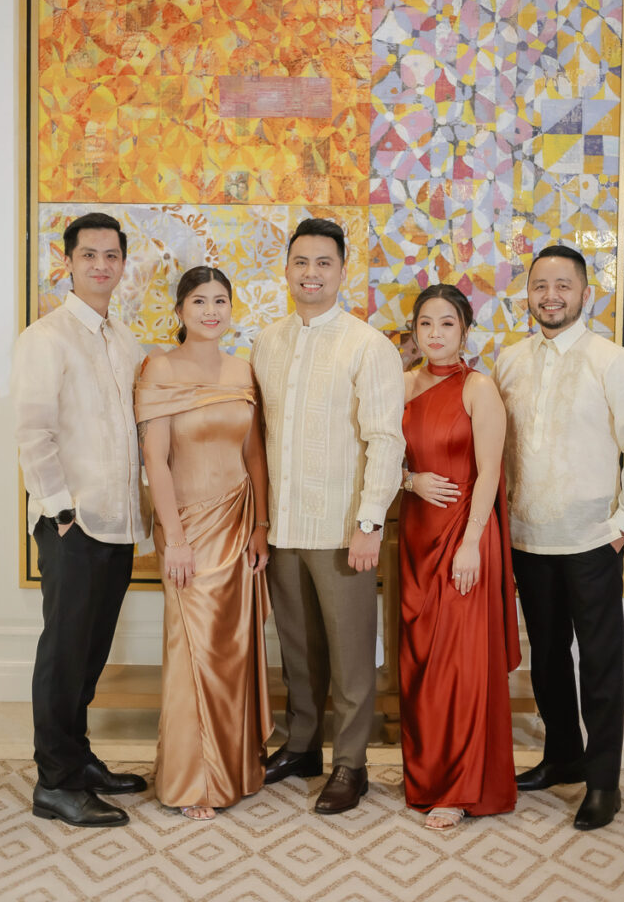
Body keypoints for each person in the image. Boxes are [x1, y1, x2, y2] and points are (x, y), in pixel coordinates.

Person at [494, 244, 624, 831]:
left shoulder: (611, 360)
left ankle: (603, 782)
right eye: (540, 285)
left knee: (599, 664)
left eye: (563, 286)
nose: (551, 296)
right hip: (527, 538)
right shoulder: (508, 361)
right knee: (546, 659)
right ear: (528, 294)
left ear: (585, 293)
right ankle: (563, 755)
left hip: (593, 540)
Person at [251, 218, 405, 814]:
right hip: (283, 525)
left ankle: (351, 763)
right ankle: (301, 746)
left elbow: (385, 440)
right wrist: (262, 522)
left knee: (349, 654)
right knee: (298, 649)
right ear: (287, 269)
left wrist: (369, 524)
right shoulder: (267, 341)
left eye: (323, 263)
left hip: (342, 529)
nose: (310, 273)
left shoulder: (368, 345)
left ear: (342, 270)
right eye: (301, 262)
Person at [12, 213, 151, 828]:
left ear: (122, 264)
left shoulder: (125, 340)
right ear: (67, 262)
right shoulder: (46, 338)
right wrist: (62, 510)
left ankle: (78, 757)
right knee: (64, 653)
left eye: (111, 255)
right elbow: (33, 432)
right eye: (89, 254)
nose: (101, 264)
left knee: (91, 651)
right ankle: (55, 783)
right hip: (73, 522)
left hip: (117, 523)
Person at [135, 266, 273, 820]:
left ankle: (235, 770)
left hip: (238, 524)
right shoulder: (160, 368)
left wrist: (261, 526)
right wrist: (174, 539)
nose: (211, 311)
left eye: (220, 301)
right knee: (193, 652)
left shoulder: (243, 369)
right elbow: (155, 460)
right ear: (180, 311)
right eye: (199, 301)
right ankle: (193, 780)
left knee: (231, 652)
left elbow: (255, 454)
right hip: (187, 530)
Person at [399, 284, 521, 830]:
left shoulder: (479, 388)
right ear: (415, 330)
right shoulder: (402, 385)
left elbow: (491, 471)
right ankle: (427, 777)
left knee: (460, 664)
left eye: (447, 323)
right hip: (416, 537)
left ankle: (459, 787)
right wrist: (410, 480)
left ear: (464, 331)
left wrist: (472, 542)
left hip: (465, 537)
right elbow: (379, 455)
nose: (435, 334)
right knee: (421, 663)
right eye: (426, 323)